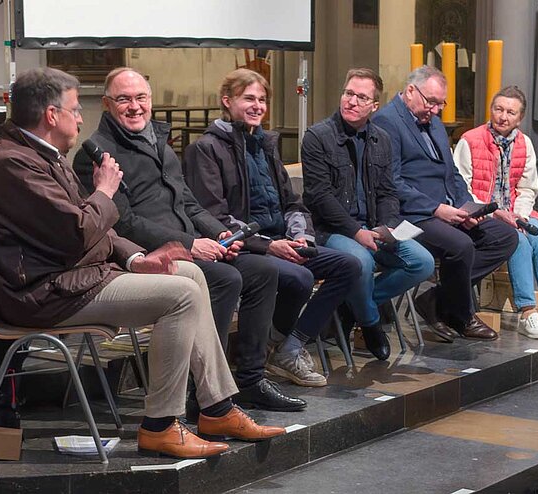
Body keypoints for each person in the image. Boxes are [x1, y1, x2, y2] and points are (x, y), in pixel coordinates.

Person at [0, 68, 284, 460]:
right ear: (51, 115)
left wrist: (137, 258)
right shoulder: (13, 165)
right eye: (74, 109)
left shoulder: (41, 156)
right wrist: (105, 191)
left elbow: (92, 228)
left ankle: (217, 408)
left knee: (189, 274)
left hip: (72, 278)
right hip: (44, 293)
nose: (80, 118)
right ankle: (160, 425)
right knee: (181, 295)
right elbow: (79, 232)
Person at [74, 67, 306, 412]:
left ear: (151, 101)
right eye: (124, 99)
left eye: (141, 98)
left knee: (262, 272)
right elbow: (124, 225)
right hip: (143, 256)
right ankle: (203, 390)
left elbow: (188, 203)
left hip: (188, 244)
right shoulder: (97, 157)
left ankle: (250, 379)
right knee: (227, 279)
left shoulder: (159, 143)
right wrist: (191, 243)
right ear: (107, 104)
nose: (134, 107)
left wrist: (218, 232)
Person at [183, 68, 361, 382]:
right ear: (227, 101)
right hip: (244, 247)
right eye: (248, 98)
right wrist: (269, 246)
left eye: (262, 100)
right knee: (300, 277)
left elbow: (292, 202)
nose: (257, 106)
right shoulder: (206, 149)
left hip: (281, 240)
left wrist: (300, 236)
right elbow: (215, 216)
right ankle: (271, 349)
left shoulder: (265, 145)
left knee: (348, 265)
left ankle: (289, 346)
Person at [371, 65, 518, 342]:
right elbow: (392, 183)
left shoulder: (434, 122)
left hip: (448, 211)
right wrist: (437, 209)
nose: (436, 110)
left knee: (505, 237)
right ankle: (461, 316)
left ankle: (437, 300)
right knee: (460, 245)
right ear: (411, 91)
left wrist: (466, 206)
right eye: (432, 102)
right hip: (411, 216)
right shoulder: (387, 121)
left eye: (441, 103)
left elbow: (453, 174)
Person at [301, 68, 435, 358]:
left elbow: (388, 192)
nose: (352, 101)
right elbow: (319, 197)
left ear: (374, 106)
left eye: (362, 97)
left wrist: (385, 226)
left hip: (373, 228)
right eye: (349, 93)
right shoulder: (317, 137)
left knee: (422, 262)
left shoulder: (381, 139)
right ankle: (371, 323)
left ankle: (353, 304)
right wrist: (356, 232)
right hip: (332, 231)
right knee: (360, 262)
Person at [453, 86, 538, 338]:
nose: (503, 116)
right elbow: (460, 188)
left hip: (516, 211)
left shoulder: (524, 143)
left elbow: (528, 187)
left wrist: (518, 214)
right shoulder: (470, 140)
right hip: (481, 216)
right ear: (491, 110)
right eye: (498, 109)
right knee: (517, 241)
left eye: (510, 112)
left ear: (519, 118)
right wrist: (496, 214)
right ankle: (527, 312)